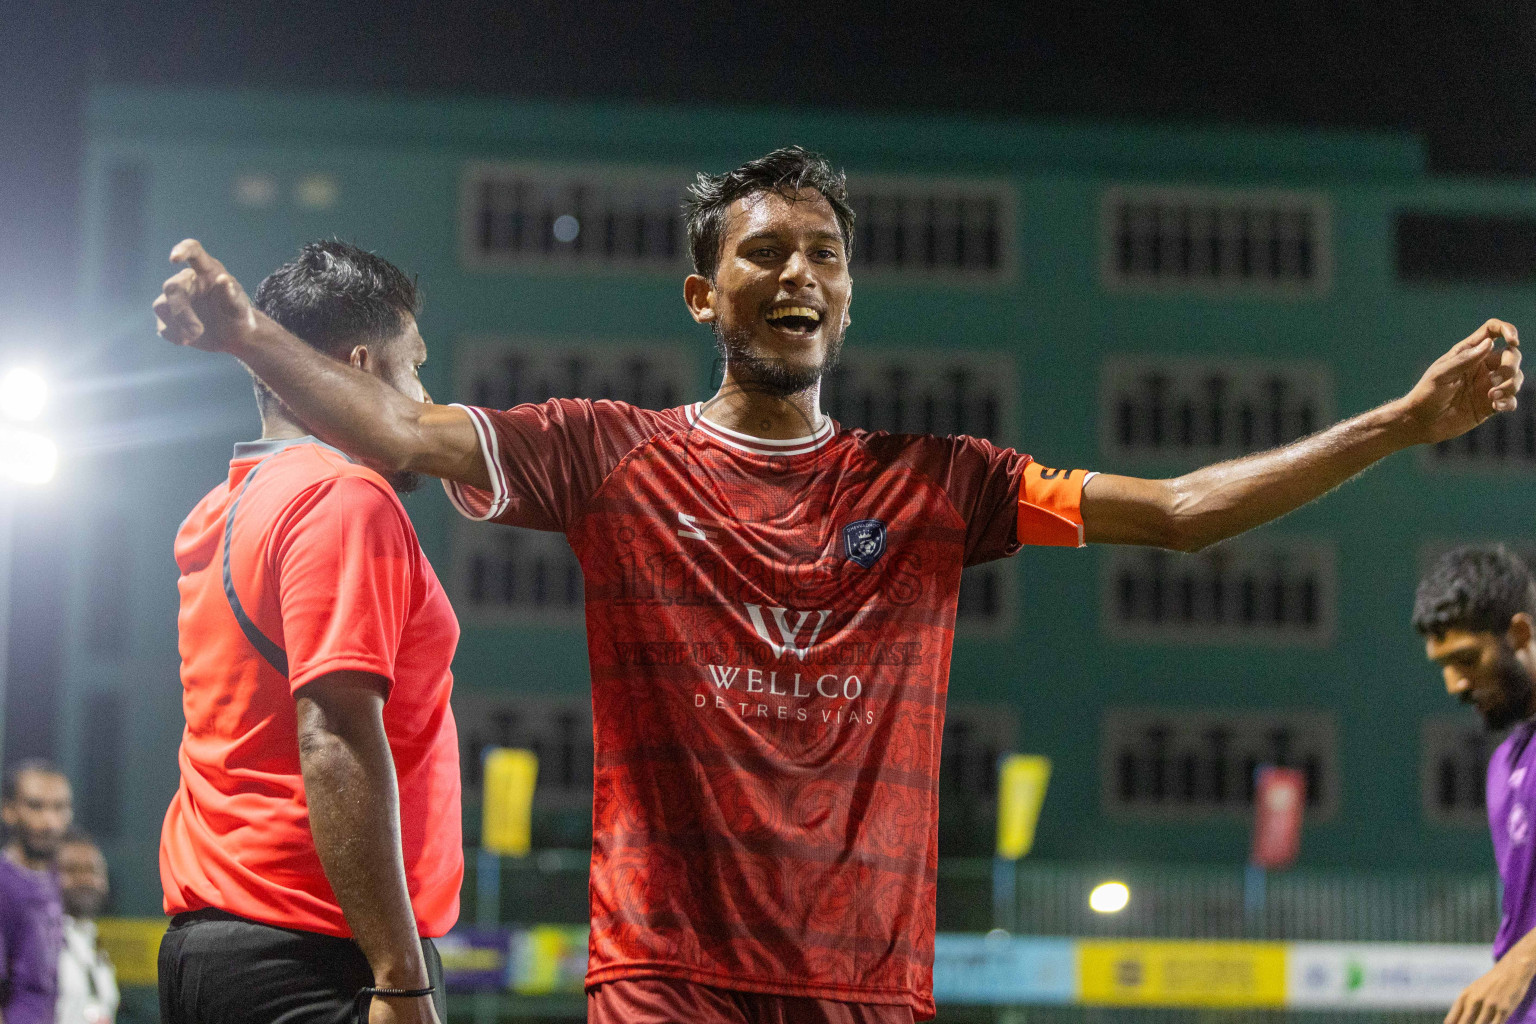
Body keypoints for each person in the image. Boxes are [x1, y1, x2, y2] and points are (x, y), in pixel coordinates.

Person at [154, 148, 1523, 1023]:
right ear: (704, 295)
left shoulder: (940, 485)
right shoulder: (606, 457)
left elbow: (1174, 515)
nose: (797, 274)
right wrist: (249, 337)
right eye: (762, 253)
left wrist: (1397, 425)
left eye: (822, 255)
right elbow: (397, 431)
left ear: (850, 294)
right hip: (663, 985)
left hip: (868, 989)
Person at [154, 241, 462, 1024]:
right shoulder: (341, 500)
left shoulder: (225, 506)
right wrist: (400, 977)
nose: (425, 396)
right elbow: (332, 736)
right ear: (360, 367)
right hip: (320, 956)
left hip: (219, 945)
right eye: (415, 366)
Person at [1416, 546, 1536, 1024]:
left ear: (1519, 633)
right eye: (1442, 663)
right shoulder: (1503, 768)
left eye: (1466, 658)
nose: (1454, 684)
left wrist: (1522, 962)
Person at [0, 760, 70, 1024]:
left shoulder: (53, 880)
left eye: (59, 807)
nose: (49, 821)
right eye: (35, 806)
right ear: (8, 810)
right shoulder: (3, 884)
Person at [55, 832, 118, 1024]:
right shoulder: (38, 943)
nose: (84, 879)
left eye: (93, 871)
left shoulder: (96, 950)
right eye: (71, 870)